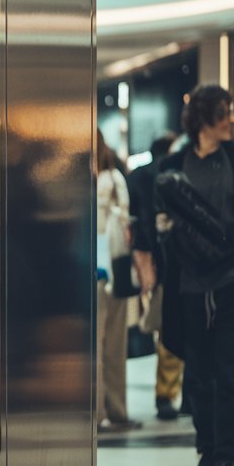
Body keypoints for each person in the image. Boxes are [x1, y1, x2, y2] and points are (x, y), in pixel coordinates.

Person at [158, 85, 234, 466]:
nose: (230, 120)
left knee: (231, 374)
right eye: (223, 113)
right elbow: (162, 225)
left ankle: (228, 461)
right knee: (199, 375)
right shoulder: (174, 165)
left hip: (233, 282)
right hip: (189, 286)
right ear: (203, 117)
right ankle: (205, 447)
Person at [129, 133, 184, 420]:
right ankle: (167, 393)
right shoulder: (170, 175)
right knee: (170, 328)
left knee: (162, 325)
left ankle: (168, 392)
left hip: (144, 259)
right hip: (168, 261)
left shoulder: (137, 176)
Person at [96, 130, 141, 432]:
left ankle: (95, 411)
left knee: (93, 346)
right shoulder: (114, 178)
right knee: (115, 343)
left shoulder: (74, 180)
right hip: (117, 266)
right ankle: (118, 410)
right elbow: (127, 221)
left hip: (90, 268)